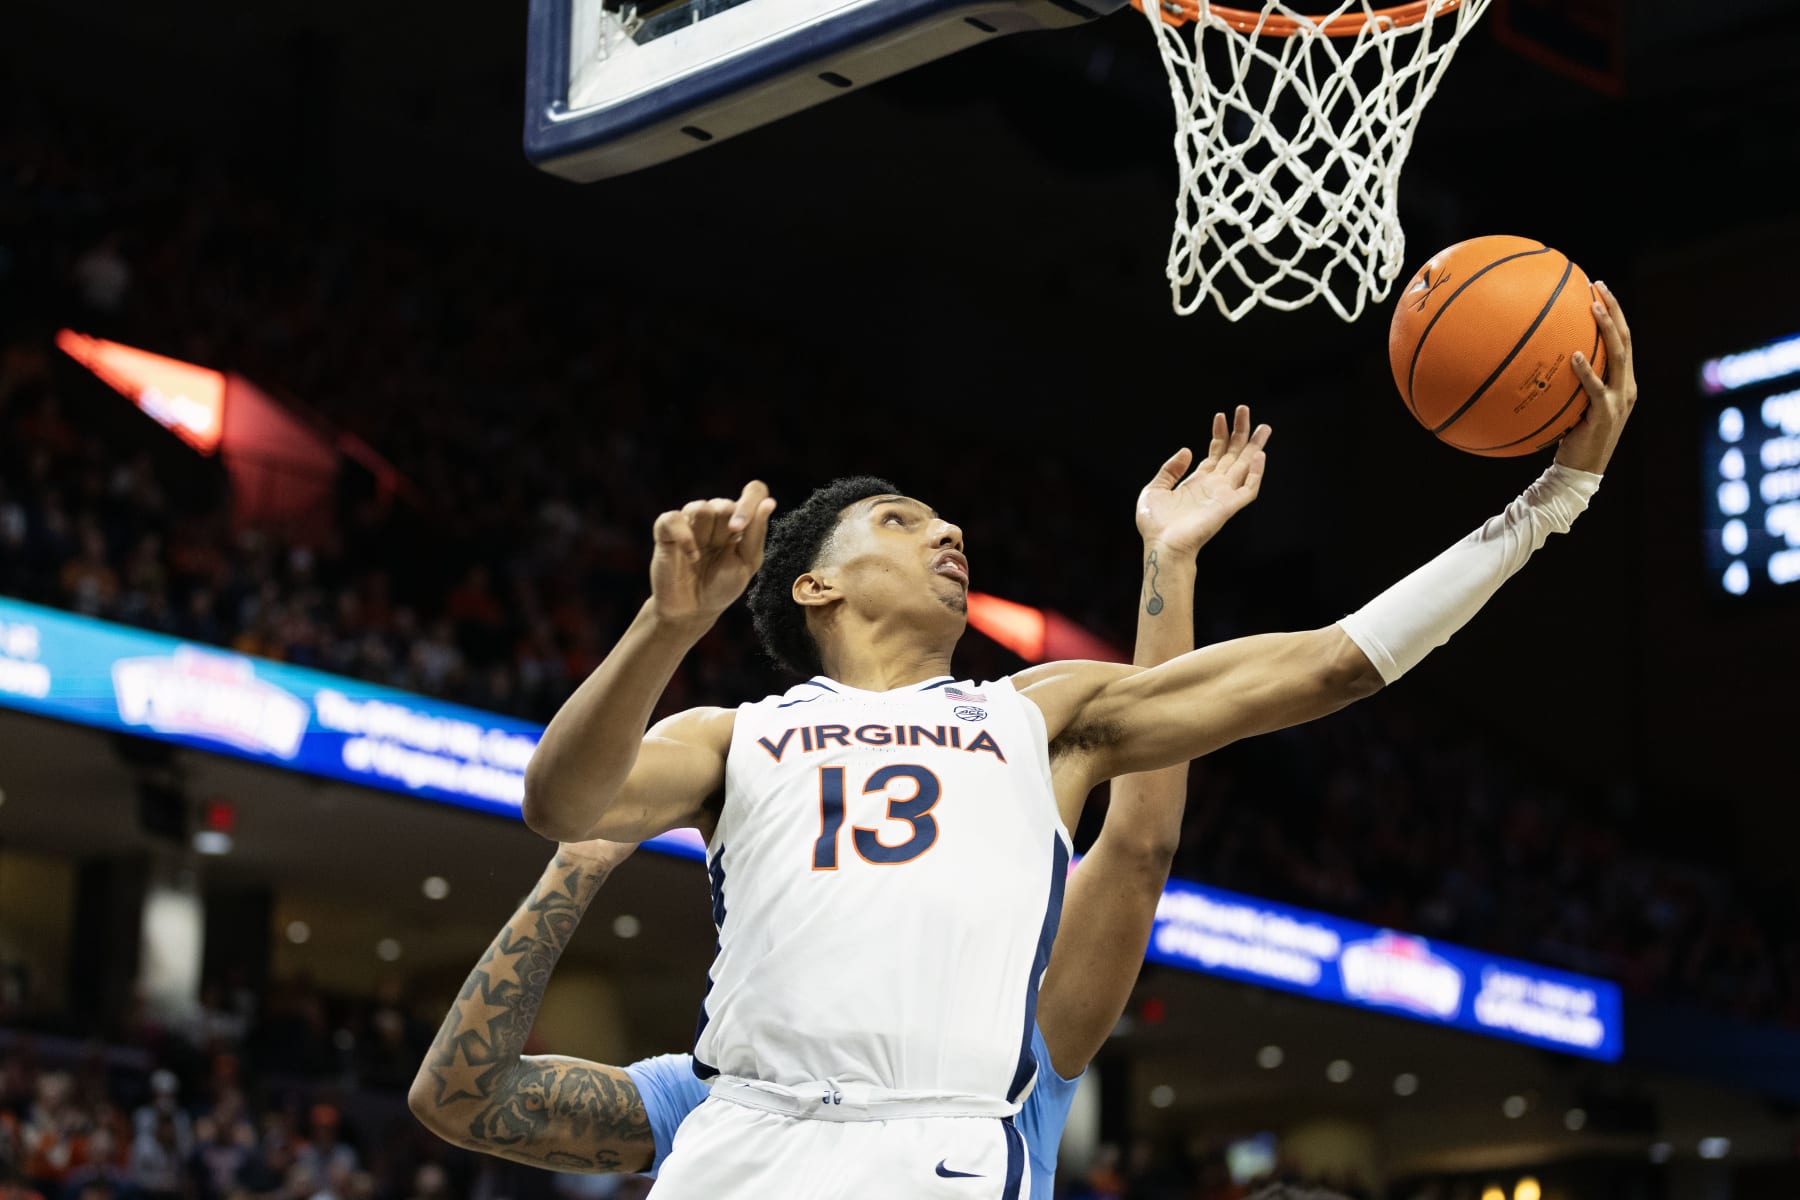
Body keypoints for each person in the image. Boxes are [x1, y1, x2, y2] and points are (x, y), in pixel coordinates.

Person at [519, 290, 1638, 1198]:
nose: (948, 529)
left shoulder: (1039, 713)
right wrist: (666, 624)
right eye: (902, 520)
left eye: (943, 517)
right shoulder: (734, 736)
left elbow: (1330, 663)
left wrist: (1555, 499)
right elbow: (562, 807)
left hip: (941, 1145)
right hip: (743, 1141)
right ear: (814, 582)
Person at [410, 413, 1268, 1194]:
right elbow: (461, 1097)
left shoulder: (1020, 1067)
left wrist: (1171, 561)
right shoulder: (717, 1095)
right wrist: (579, 863)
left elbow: (1137, 842)